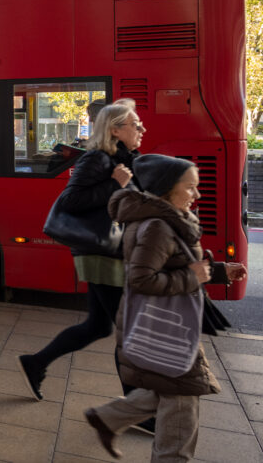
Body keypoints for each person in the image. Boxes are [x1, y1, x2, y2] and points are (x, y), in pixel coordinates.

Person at [84, 154, 247, 461]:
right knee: (181, 405)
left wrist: (220, 270)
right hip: (168, 328)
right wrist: (193, 276)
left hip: (171, 325)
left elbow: (178, 261)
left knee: (170, 391)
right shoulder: (157, 225)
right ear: (166, 190)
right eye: (190, 188)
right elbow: (141, 279)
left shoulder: (168, 218)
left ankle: (109, 418)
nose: (197, 195)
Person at [17, 100, 145, 405]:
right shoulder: (97, 160)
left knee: (99, 326)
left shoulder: (123, 158)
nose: (142, 128)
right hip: (101, 253)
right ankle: (137, 408)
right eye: (134, 124)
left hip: (110, 252)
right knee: (127, 332)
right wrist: (115, 185)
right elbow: (72, 200)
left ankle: (35, 363)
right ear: (114, 130)